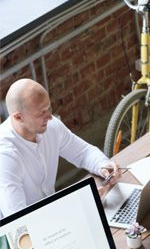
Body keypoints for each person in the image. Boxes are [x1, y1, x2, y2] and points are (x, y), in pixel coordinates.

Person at [0, 78, 121, 220]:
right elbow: (19, 220)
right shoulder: (5, 156)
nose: (50, 117)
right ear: (19, 117)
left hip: (53, 214)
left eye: (49, 108)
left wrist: (103, 166)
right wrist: (78, 205)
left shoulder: (49, 126)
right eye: (41, 113)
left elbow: (83, 153)